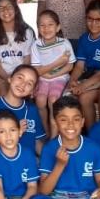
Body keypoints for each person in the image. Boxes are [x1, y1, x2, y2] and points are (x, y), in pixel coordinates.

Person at [69, 0, 100, 128]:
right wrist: (73, 80)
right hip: (91, 77)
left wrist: (83, 85)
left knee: (84, 94)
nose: (94, 23)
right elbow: (79, 66)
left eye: (99, 20)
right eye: (90, 19)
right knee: (83, 98)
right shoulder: (84, 38)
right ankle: (93, 133)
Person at [0, 65, 46, 156]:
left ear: (32, 92)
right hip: (5, 164)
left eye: (29, 83)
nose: (23, 84)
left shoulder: (32, 110)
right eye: (20, 78)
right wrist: (13, 130)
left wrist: (49, 161)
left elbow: (36, 143)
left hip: (29, 164)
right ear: (10, 78)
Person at [31, 9, 75, 138]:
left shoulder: (64, 43)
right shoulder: (36, 45)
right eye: (42, 25)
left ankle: (54, 136)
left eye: (50, 24)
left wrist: (53, 75)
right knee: (40, 100)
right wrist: (53, 68)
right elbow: (37, 70)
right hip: (43, 78)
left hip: (60, 78)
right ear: (38, 28)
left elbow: (70, 66)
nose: (46, 28)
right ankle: (46, 130)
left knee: (53, 100)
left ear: (58, 27)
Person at [0, 0, 35, 84]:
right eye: (1, 8)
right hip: (2, 77)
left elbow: (27, 59)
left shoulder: (27, 32)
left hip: (23, 77)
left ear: (16, 10)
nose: (5, 10)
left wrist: (20, 79)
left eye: (9, 7)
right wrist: (8, 79)